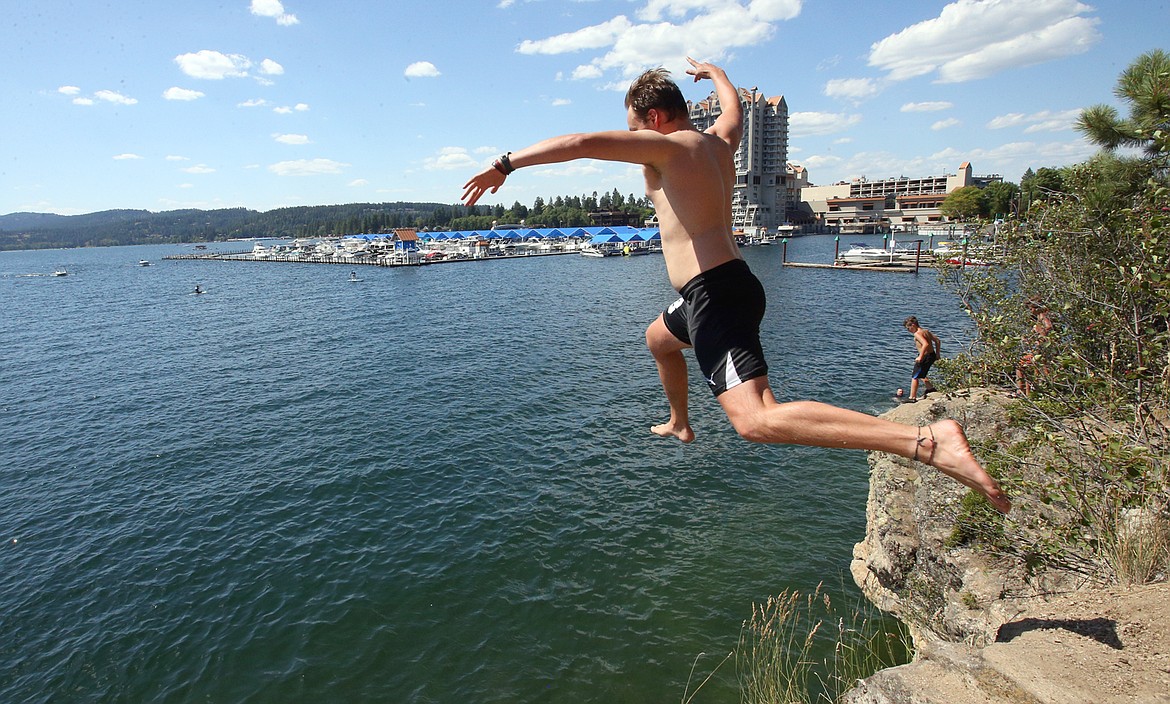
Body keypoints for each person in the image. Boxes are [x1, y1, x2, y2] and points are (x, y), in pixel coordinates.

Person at [461, 59, 1010, 514]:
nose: (632, 142)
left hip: (714, 296)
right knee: (658, 339)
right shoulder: (719, 145)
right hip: (728, 285)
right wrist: (717, 72)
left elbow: (580, 142)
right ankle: (679, 421)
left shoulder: (668, 148)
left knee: (756, 420)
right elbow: (734, 112)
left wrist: (504, 165)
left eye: (634, 130)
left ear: (653, 119)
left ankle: (925, 443)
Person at [903, 316, 941, 401]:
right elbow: (937, 340)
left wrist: (920, 356)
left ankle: (912, 397)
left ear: (913, 325)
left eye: (908, 328)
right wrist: (937, 354)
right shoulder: (926, 331)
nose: (908, 331)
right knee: (922, 374)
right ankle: (930, 389)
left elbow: (925, 344)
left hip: (925, 356)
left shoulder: (917, 333)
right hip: (931, 355)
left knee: (915, 376)